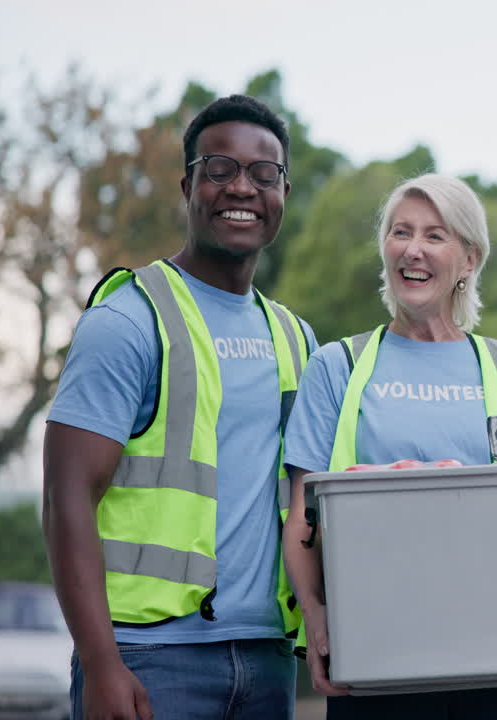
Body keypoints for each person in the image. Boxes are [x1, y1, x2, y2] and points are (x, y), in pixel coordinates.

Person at [281, 174, 497, 719]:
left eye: (435, 235)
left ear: (469, 258)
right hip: (376, 662)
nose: (413, 249)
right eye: (400, 232)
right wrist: (315, 617)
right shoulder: (338, 367)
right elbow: (300, 516)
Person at [43, 94, 316, 720]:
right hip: (147, 658)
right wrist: (102, 662)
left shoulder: (298, 339)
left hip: (267, 657)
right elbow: (65, 497)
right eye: (219, 169)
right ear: (189, 184)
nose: (241, 187)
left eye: (263, 173)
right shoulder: (128, 320)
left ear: (283, 192)